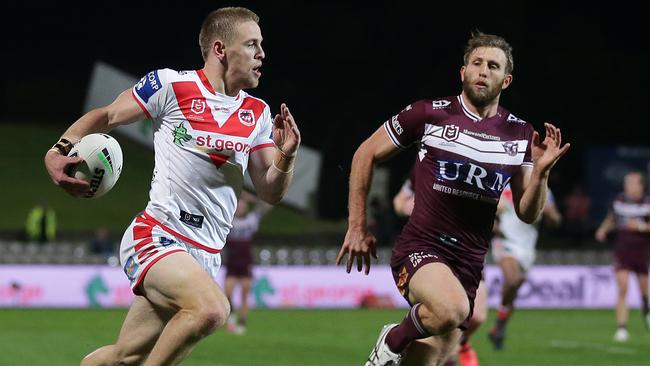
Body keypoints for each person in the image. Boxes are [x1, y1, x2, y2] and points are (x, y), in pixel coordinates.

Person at [44, 7, 301, 365]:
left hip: (206, 255)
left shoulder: (256, 113)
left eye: (261, 45)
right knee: (212, 309)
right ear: (220, 49)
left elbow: (271, 190)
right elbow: (107, 115)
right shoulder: (171, 85)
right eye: (252, 44)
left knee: (125, 358)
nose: (262, 53)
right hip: (157, 235)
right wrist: (59, 150)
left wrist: (285, 156)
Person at [336, 31, 570, 366]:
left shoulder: (520, 133)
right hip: (421, 249)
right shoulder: (428, 114)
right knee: (454, 309)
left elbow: (528, 212)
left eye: (493, 66)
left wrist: (542, 173)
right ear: (463, 72)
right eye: (476, 63)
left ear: (506, 80)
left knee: (428, 359)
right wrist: (357, 226)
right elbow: (364, 153)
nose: (483, 70)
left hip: (470, 263)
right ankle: (392, 338)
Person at [393, 169, 488, 366]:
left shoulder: (488, 161)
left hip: (468, 254)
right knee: (445, 318)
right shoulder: (428, 162)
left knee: (475, 316)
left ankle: (458, 346)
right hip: (430, 246)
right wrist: (412, 207)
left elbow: (510, 206)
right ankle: (397, 337)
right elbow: (399, 201)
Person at [487, 183, 562, 350]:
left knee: (513, 292)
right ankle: (500, 324)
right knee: (512, 281)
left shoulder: (544, 190)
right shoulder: (504, 185)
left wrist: (550, 214)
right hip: (505, 241)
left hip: (527, 248)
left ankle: (499, 326)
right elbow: (486, 210)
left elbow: (556, 221)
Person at [595, 171, 650, 342]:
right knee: (622, 288)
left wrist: (640, 227)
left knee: (643, 292)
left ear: (641, 185)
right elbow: (612, 219)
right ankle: (622, 328)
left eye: (632, 183)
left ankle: (646, 310)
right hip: (622, 250)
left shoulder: (647, 203)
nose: (628, 186)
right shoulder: (618, 200)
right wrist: (603, 229)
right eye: (627, 183)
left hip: (642, 251)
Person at [224, 191, 271, 335]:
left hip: (246, 262)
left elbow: (267, 205)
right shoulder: (228, 220)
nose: (240, 208)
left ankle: (242, 323)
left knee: (245, 294)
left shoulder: (252, 219)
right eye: (238, 206)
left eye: (243, 206)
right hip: (231, 262)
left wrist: (252, 199)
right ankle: (231, 315)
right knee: (228, 294)